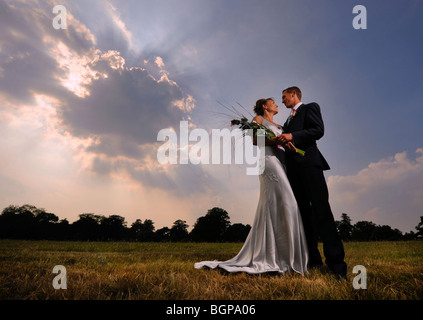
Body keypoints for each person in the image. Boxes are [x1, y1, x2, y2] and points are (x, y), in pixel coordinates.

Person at [194, 98, 308, 275]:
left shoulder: (279, 124)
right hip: (269, 161)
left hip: (282, 162)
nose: (277, 104)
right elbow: (256, 141)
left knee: (278, 205)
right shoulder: (258, 120)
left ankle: (283, 256)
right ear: (264, 106)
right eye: (273, 102)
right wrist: (276, 140)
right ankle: (275, 257)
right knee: (288, 203)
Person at [277, 86, 347, 280]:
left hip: (310, 164)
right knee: (303, 215)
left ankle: (337, 265)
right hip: (293, 170)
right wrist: (285, 141)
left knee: (321, 210)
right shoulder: (287, 120)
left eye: (284, 97)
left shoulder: (310, 107)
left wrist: (293, 136)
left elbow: (318, 130)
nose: (282, 101)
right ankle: (313, 260)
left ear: (294, 94)